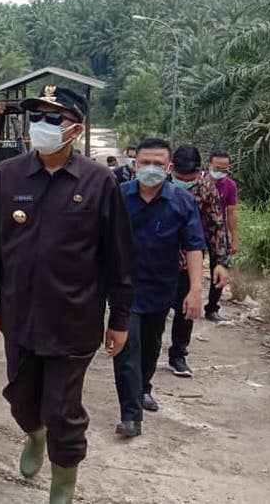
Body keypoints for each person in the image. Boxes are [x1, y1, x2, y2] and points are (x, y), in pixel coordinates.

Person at [0, 85, 134, 504]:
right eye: (36, 117)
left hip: (74, 320)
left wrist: (119, 318)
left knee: (64, 410)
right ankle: (35, 433)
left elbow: (118, 257)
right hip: (20, 315)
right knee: (22, 399)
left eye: (53, 118)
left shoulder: (99, 182)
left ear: (75, 129)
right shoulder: (8, 176)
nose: (40, 126)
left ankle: (63, 483)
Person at [113, 138, 206, 438]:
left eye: (157, 164)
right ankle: (131, 415)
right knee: (127, 345)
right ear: (134, 165)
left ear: (168, 168)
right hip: (124, 288)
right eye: (144, 163)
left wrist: (195, 289)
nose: (150, 169)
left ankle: (143, 388)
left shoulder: (182, 202)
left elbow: (194, 247)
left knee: (151, 345)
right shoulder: (119, 197)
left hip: (162, 286)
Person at [168, 145, 231, 378]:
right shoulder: (156, 184)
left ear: (199, 171)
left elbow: (217, 226)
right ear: (171, 168)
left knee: (187, 308)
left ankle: (178, 355)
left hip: (188, 261)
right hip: (153, 260)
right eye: (179, 178)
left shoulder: (206, 189)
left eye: (190, 178)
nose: (185, 182)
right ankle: (144, 354)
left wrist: (221, 262)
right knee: (149, 310)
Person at [205, 148, 239, 321]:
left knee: (220, 269)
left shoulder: (230, 185)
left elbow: (231, 213)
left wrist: (234, 239)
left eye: (224, 169)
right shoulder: (198, 182)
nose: (220, 172)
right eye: (217, 167)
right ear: (208, 164)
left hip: (218, 233)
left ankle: (212, 308)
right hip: (195, 230)